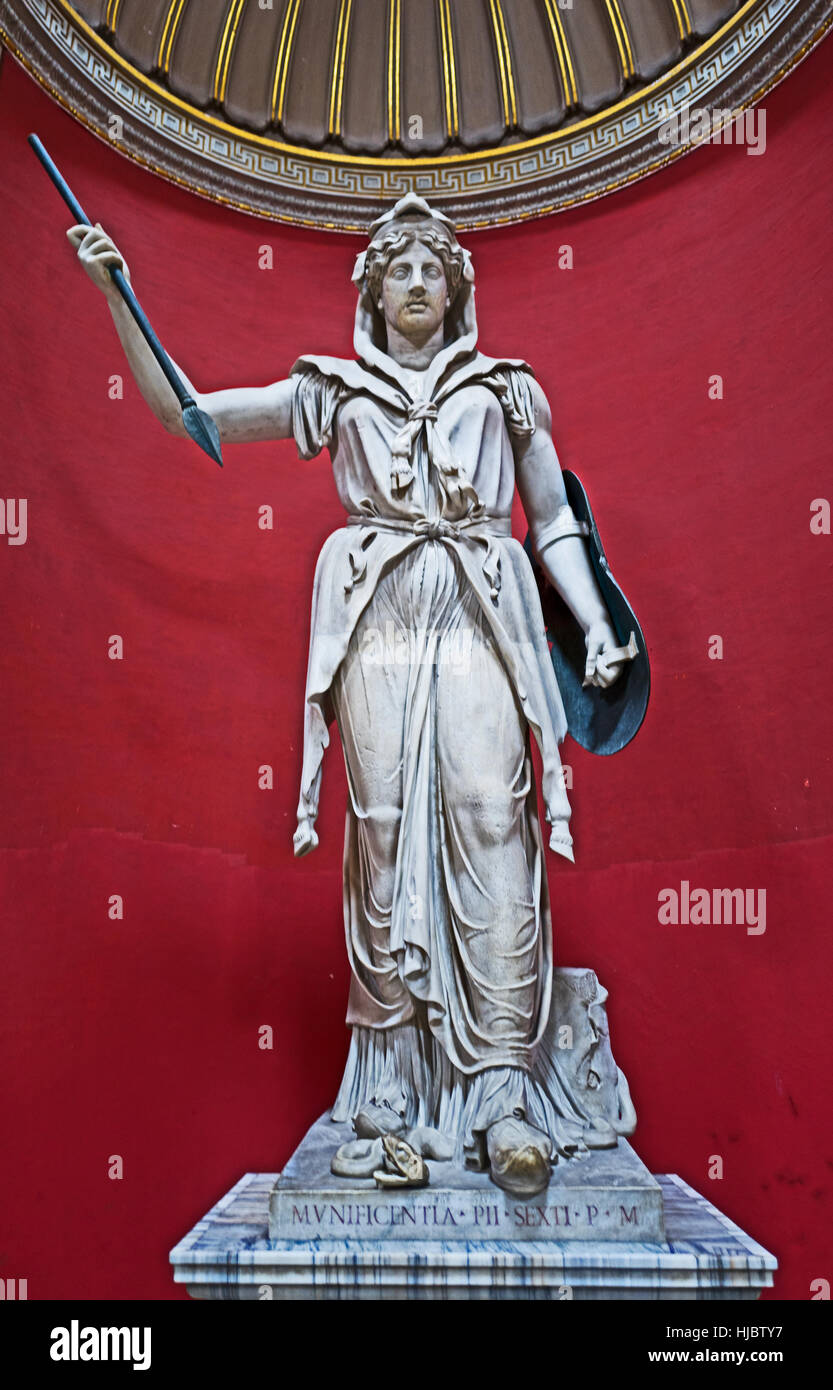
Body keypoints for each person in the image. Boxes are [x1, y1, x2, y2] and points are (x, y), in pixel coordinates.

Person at [69, 194, 627, 1197]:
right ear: (371, 288)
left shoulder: (506, 391)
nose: (416, 281)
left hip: (476, 608)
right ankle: (390, 1087)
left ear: (454, 286)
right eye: (397, 267)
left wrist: (590, 623)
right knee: (379, 823)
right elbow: (192, 416)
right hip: (379, 611)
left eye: (431, 267)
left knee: (492, 813)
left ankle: (500, 1087)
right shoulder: (332, 390)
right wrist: (119, 297)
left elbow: (549, 519)